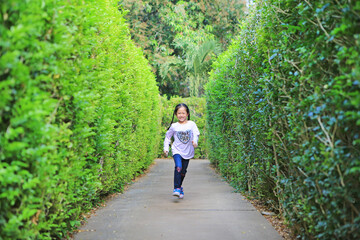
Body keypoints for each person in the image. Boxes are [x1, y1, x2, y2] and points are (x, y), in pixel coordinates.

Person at [164, 103, 200, 199]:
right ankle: (176, 188)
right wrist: (166, 148)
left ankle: (180, 187)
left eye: (183, 113)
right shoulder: (174, 126)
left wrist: (195, 141)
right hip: (177, 150)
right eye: (179, 113)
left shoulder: (191, 124)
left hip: (188, 151)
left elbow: (196, 134)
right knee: (178, 167)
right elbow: (168, 137)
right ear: (176, 114)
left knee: (183, 172)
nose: (181, 115)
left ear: (187, 114)